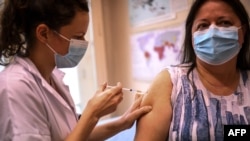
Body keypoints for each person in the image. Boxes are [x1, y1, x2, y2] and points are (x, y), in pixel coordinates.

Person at [0, 0, 152, 141]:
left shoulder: (52, 78)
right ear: (43, 33)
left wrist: (123, 123)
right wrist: (92, 114)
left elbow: (76, 135)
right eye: (78, 36)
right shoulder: (15, 87)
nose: (84, 43)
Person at [134, 0, 250, 140]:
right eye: (203, 25)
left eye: (225, 23)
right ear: (192, 37)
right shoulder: (170, 82)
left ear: (242, 32)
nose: (213, 32)